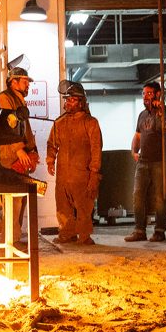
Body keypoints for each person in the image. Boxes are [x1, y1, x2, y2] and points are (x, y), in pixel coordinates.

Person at [46, 83, 102, 245]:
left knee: (84, 206)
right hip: (63, 173)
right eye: (67, 100)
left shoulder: (91, 123)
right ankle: (66, 234)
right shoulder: (59, 123)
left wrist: (94, 172)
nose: (67, 103)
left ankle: (84, 236)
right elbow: (52, 144)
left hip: (82, 174)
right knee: (63, 206)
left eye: (71, 100)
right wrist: (50, 160)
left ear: (80, 102)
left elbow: (96, 149)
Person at [124, 82, 166, 243]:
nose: (145, 97)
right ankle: (139, 230)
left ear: (158, 94)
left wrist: (160, 111)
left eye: (149, 93)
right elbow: (138, 135)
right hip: (143, 162)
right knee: (138, 195)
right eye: (143, 94)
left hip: (161, 161)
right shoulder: (142, 115)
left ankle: (159, 231)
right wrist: (134, 151)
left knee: (160, 197)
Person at [0, 66, 40, 246]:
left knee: (19, 200)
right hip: (10, 159)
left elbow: (26, 130)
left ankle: (14, 238)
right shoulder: (5, 98)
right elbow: (7, 126)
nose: (28, 85)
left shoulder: (19, 101)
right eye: (24, 81)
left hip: (19, 157)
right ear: (13, 82)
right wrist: (19, 150)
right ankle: (9, 241)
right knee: (12, 201)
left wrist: (33, 151)